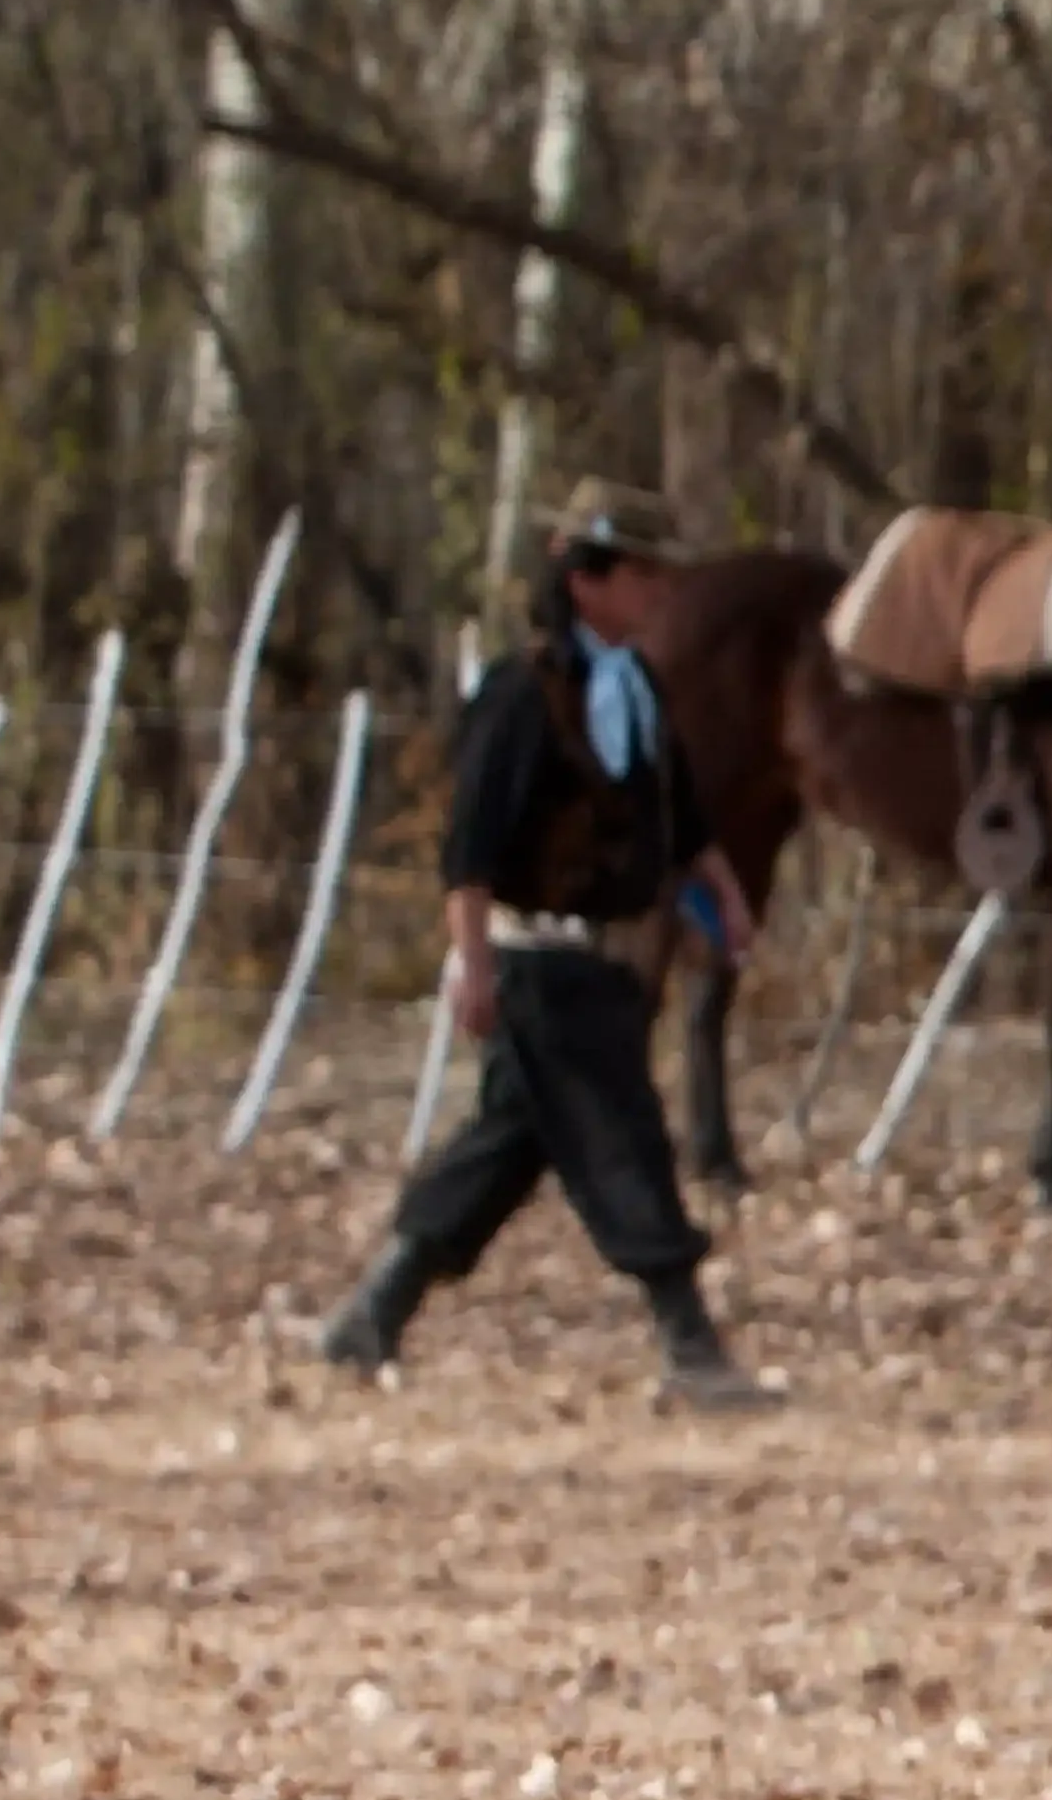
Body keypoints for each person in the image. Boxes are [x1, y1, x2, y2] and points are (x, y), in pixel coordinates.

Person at [309, 483, 775, 1408]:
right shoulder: (521, 695)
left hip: (606, 957)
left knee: (507, 1148)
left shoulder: (636, 686)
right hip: (539, 958)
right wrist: (472, 960)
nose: (658, 596)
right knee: (624, 1136)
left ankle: (374, 1310)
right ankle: (689, 1342)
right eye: (643, 577)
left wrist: (717, 886)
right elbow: (470, 846)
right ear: (591, 581)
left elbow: (669, 808)